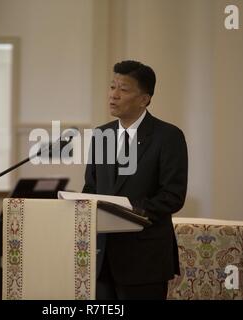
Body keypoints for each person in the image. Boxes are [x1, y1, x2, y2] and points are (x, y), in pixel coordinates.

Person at [82, 60, 188, 300]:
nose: (114, 95)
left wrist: (127, 210)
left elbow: (172, 196)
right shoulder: (102, 134)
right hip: (102, 258)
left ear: (144, 98)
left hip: (144, 259)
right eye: (112, 87)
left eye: (124, 89)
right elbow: (91, 186)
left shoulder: (168, 136)